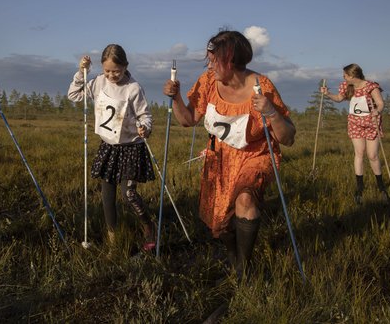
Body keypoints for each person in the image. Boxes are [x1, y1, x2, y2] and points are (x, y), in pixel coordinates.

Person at [163, 30, 296, 281]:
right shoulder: (208, 82)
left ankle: (244, 270)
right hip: (221, 158)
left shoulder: (262, 87)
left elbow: (288, 138)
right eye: (210, 60)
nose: (210, 65)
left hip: (256, 155)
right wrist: (176, 98)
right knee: (220, 221)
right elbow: (188, 119)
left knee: (245, 200)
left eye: (215, 61)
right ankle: (235, 258)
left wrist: (271, 112)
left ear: (232, 62)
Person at [68, 44, 156, 252]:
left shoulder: (133, 88)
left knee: (128, 195)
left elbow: (146, 115)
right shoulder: (99, 82)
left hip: (131, 147)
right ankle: (113, 238)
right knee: (107, 196)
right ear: (101, 67)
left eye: (116, 71)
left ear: (125, 66)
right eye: (107, 71)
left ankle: (148, 225)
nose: (112, 75)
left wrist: (145, 127)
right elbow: (74, 95)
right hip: (109, 147)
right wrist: (82, 74)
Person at [320, 63, 388, 204]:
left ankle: (381, 186)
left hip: (371, 123)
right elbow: (339, 98)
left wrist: (377, 111)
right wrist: (327, 94)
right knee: (359, 153)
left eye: (345, 75)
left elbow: (380, 103)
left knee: (372, 155)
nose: (343, 78)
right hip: (355, 123)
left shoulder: (371, 87)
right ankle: (360, 187)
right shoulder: (347, 86)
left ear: (352, 76)